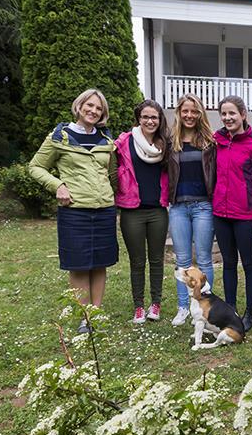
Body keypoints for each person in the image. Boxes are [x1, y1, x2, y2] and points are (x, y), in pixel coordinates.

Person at [29, 89, 119, 334]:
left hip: (104, 209)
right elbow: (35, 167)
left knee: (100, 263)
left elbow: (111, 174)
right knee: (79, 264)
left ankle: (96, 314)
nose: (93, 111)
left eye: (98, 108)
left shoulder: (106, 141)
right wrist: (57, 185)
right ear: (79, 106)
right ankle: (85, 318)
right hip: (75, 211)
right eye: (89, 106)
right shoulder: (59, 137)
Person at [114, 99, 170, 324]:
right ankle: (138, 306)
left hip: (157, 210)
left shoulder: (164, 143)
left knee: (157, 259)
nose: (150, 121)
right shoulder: (124, 142)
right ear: (139, 118)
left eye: (154, 117)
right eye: (145, 116)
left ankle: (155, 303)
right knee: (137, 261)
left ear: (159, 120)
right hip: (132, 210)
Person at [212, 95, 252, 331]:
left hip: (245, 215)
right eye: (224, 113)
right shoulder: (216, 141)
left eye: (232, 113)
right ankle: (230, 309)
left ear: (243, 114)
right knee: (228, 263)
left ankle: (250, 314)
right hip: (220, 215)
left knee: (250, 264)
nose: (227, 118)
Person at [167, 93, 216, 327]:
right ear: (179, 112)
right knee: (183, 261)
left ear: (200, 114)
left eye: (194, 111)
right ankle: (183, 307)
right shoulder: (170, 142)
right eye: (185, 111)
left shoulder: (209, 142)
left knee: (205, 259)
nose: (189, 115)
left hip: (203, 206)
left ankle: (205, 304)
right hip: (178, 207)